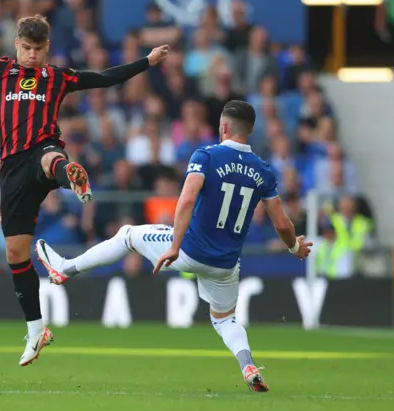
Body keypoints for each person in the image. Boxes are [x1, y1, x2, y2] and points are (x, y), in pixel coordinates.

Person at [0, 14, 169, 366]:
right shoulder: (0, 71)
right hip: (12, 170)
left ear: (47, 48)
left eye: (37, 49)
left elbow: (103, 79)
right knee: (16, 255)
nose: (31, 55)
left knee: (51, 158)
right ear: (16, 45)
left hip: (42, 151)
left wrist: (146, 62)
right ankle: (37, 330)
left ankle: (69, 175)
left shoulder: (57, 77)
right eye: (26, 48)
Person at [36, 100, 313, 391]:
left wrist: (175, 245)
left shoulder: (206, 155)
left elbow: (188, 198)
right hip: (226, 264)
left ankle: (65, 268)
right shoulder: (265, 171)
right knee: (225, 318)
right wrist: (295, 248)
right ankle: (247, 365)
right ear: (252, 130)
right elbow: (282, 223)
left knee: (128, 234)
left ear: (224, 127)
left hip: (190, 248)